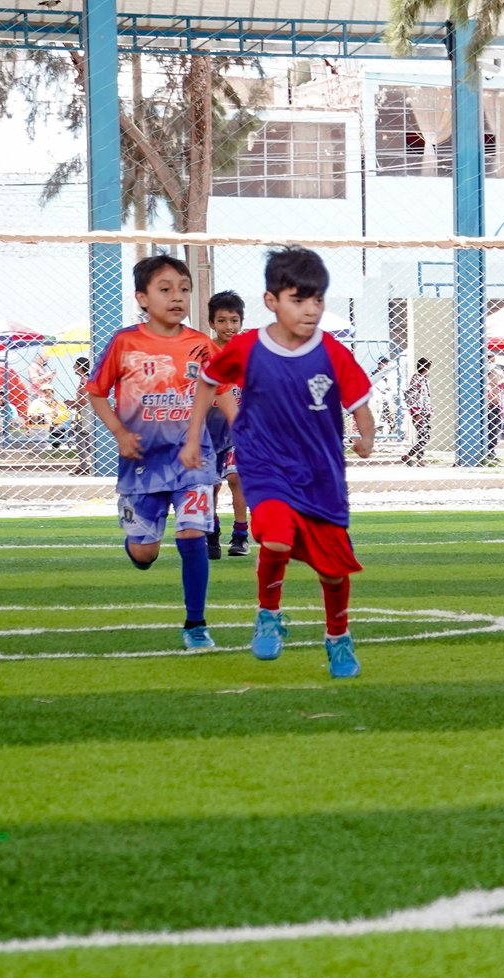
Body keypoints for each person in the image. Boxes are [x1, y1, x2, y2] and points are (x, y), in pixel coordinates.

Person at [180, 246, 375, 680]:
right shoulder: (248, 348)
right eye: (298, 300)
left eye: (317, 300)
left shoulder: (333, 353)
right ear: (272, 301)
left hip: (322, 477)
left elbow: (360, 402)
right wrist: (193, 437)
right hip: (265, 466)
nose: (310, 310)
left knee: (333, 572)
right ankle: (268, 613)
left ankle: (338, 637)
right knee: (278, 540)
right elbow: (210, 383)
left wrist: (366, 437)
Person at [85, 254, 219, 650]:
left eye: (183, 289)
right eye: (165, 289)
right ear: (142, 298)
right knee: (144, 553)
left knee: (193, 532)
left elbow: (224, 388)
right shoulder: (125, 342)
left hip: (192, 456)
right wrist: (120, 433)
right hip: (141, 460)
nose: (176, 297)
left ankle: (196, 625)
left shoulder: (202, 345)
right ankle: (138, 542)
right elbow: (95, 392)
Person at [205, 290, 249, 557]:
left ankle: (240, 534)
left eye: (233, 320)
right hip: (208, 428)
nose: (228, 327)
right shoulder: (202, 351)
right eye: (222, 321)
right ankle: (212, 531)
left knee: (236, 477)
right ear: (211, 323)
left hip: (239, 427)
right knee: (210, 483)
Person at [400, 357, 431, 466]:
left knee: (423, 436)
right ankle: (410, 456)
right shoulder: (417, 379)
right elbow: (411, 397)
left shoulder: (425, 379)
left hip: (425, 412)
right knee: (424, 436)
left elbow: (425, 397)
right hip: (419, 412)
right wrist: (415, 413)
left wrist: (429, 409)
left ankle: (418, 459)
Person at [69, 356, 94, 475]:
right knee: (83, 439)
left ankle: (85, 465)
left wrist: (71, 403)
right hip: (84, 412)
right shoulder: (85, 379)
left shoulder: (85, 380)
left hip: (85, 412)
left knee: (84, 439)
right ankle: (85, 465)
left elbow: (84, 400)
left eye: (76, 365)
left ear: (80, 367)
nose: (74, 367)